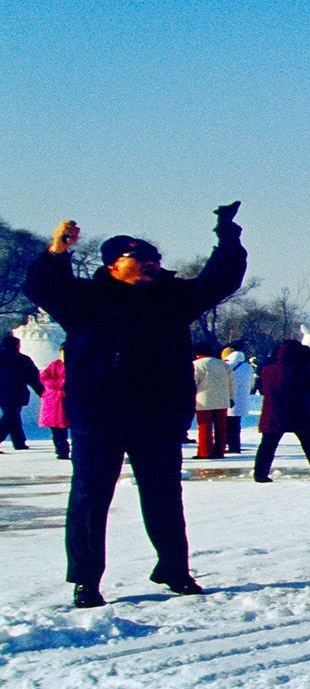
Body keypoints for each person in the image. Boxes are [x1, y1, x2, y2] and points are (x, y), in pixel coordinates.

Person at [23, 204, 247, 608]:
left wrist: (227, 236)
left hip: (158, 411)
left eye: (155, 258)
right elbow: (41, 288)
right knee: (90, 496)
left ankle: (174, 568)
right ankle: (86, 579)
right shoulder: (83, 298)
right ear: (112, 266)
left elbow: (220, 280)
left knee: (163, 493)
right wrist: (57, 252)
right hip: (98, 413)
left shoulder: (172, 297)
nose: (151, 263)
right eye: (139, 258)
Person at [253, 339, 310, 481]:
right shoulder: (301, 369)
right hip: (298, 410)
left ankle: (260, 473)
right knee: (309, 443)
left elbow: (263, 387)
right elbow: (307, 387)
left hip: (273, 411)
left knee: (268, 444)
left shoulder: (268, 369)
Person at [0, 335, 42, 451]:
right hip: (16, 393)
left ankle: (19, 442)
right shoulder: (22, 359)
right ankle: (18, 442)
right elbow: (33, 377)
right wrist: (41, 391)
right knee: (10, 417)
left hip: (2, 393)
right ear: (18, 345)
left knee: (12, 416)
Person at [192, 344, 233, 459]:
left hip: (204, 400)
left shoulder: (197, 364)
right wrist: (231, 397)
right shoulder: (224, 365)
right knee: (221, 426)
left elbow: (194, 382)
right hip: (222, 399)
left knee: (205, 426)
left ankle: (205, 451)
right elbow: (231, 383)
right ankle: (220, 451)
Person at [222, 345, 253, 454]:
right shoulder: (248, 367)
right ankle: (235, 445)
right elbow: (252, 383)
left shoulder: (226, 366)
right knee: (236, 423)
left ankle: (229, 445)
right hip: (242, 399)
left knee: (227, 424)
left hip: (229, 398)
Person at [37, 352, 69, 460]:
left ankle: (63, 449)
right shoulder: (55, 364)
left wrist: (55, 384)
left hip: (63, 400)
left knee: (63, 427)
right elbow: (44, 377)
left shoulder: (73, 364)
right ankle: (60, 447)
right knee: (55, 428)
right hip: (52, 401)